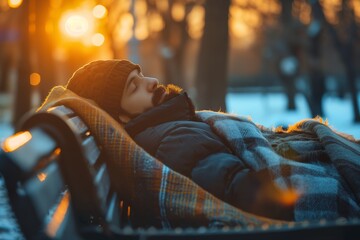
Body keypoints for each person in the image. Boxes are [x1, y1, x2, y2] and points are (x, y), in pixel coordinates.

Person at [64, 59, 360, 222]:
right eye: (134, 87)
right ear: (121, 117)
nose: (151, 81)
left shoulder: (171, 127)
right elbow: (244, 194)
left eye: (140, 74)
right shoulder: (171, 140)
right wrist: (297, 164)